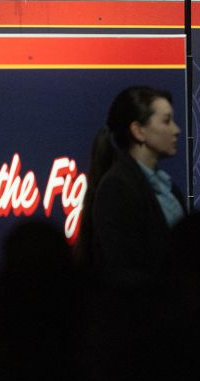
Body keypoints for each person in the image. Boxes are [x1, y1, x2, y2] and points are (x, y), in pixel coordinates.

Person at [79, 85, 184, 284]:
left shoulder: (167, 187)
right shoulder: (117, 188)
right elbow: (124, 269)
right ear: (138, 131)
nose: (176, 130)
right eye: (166, 121)